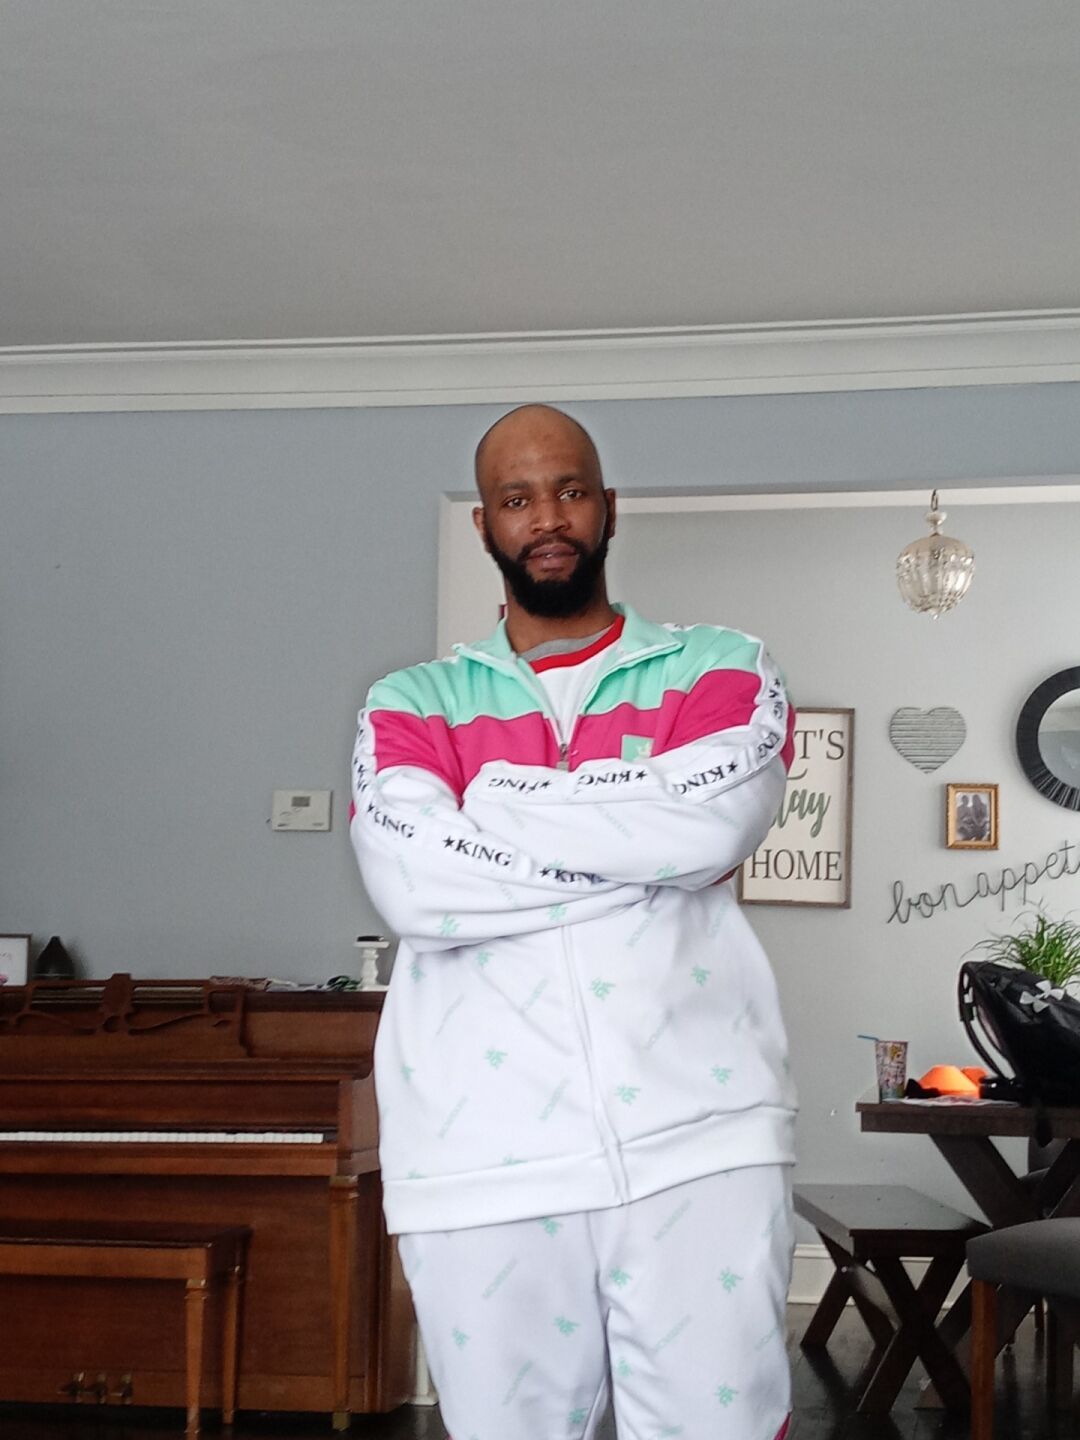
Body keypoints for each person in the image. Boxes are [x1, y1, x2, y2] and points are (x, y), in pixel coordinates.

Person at [350, 405, 797, 1440]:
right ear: (484, 525)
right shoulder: (411, 700)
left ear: (608, 506)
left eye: (570, 490)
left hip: (703, 1137)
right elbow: (415, 883)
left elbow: (713, 825)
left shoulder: (720, 667)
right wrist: (640, 852)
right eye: (516, 498)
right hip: (478, 1152)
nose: (546, 517)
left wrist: (494, 803)